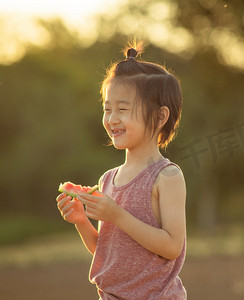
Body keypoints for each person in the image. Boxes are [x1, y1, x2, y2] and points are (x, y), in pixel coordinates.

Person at [56, 42, 187, 299]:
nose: (112, 119)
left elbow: (172, 246)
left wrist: (117, 215)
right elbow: (108, 254)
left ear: (160, 117)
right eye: (107, 109)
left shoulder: (167, 176)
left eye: (123, 109)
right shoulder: (108, 179)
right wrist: (81, 221)